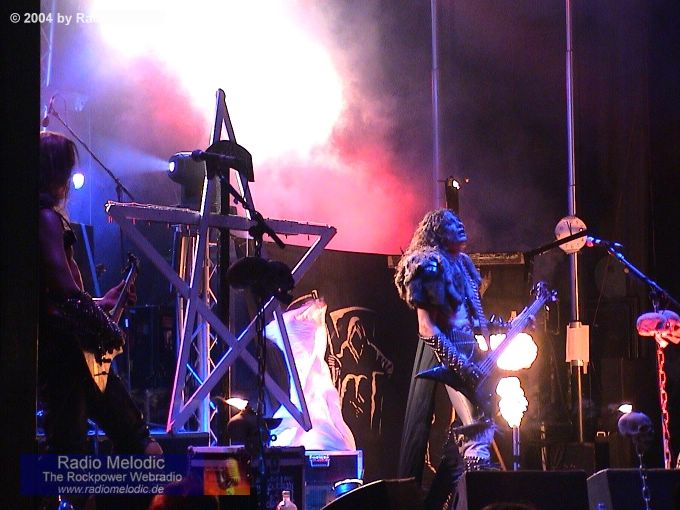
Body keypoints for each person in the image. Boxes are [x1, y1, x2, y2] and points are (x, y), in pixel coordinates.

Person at [38, 132, 161, 505]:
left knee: (85, 458)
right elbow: (63, 289)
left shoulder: (45, 220)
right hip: (69, 354)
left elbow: (62, 293)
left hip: (71, 352)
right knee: (127, 445)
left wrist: (102, 302)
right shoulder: (45, 219)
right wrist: (103, 324)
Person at [394, 209, 496, 508]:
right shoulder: (428, 264)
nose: (460, 226)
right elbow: (427, 326)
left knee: (474, 430)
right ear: (437, 231)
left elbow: (469, 319)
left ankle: (434, 503)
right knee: (476, 432)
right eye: (451, 224)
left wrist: (506, 326)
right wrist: (459, 364)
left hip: (469, 350)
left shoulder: (462, 264)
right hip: (444, 349)